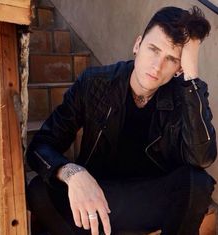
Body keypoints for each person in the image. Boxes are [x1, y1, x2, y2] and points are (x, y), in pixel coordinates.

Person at [27, 5, 217, 235]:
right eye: (153, 49)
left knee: (197, 183)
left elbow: (202, 157)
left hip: (144, 200)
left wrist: (192, 77)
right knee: (39, 190)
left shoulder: (183, 95)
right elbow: (41, 146)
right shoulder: (94, 83)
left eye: (171, 59)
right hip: (98, 193)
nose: (157, 66)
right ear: (137, 45)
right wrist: (72, 173)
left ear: (179, 67)